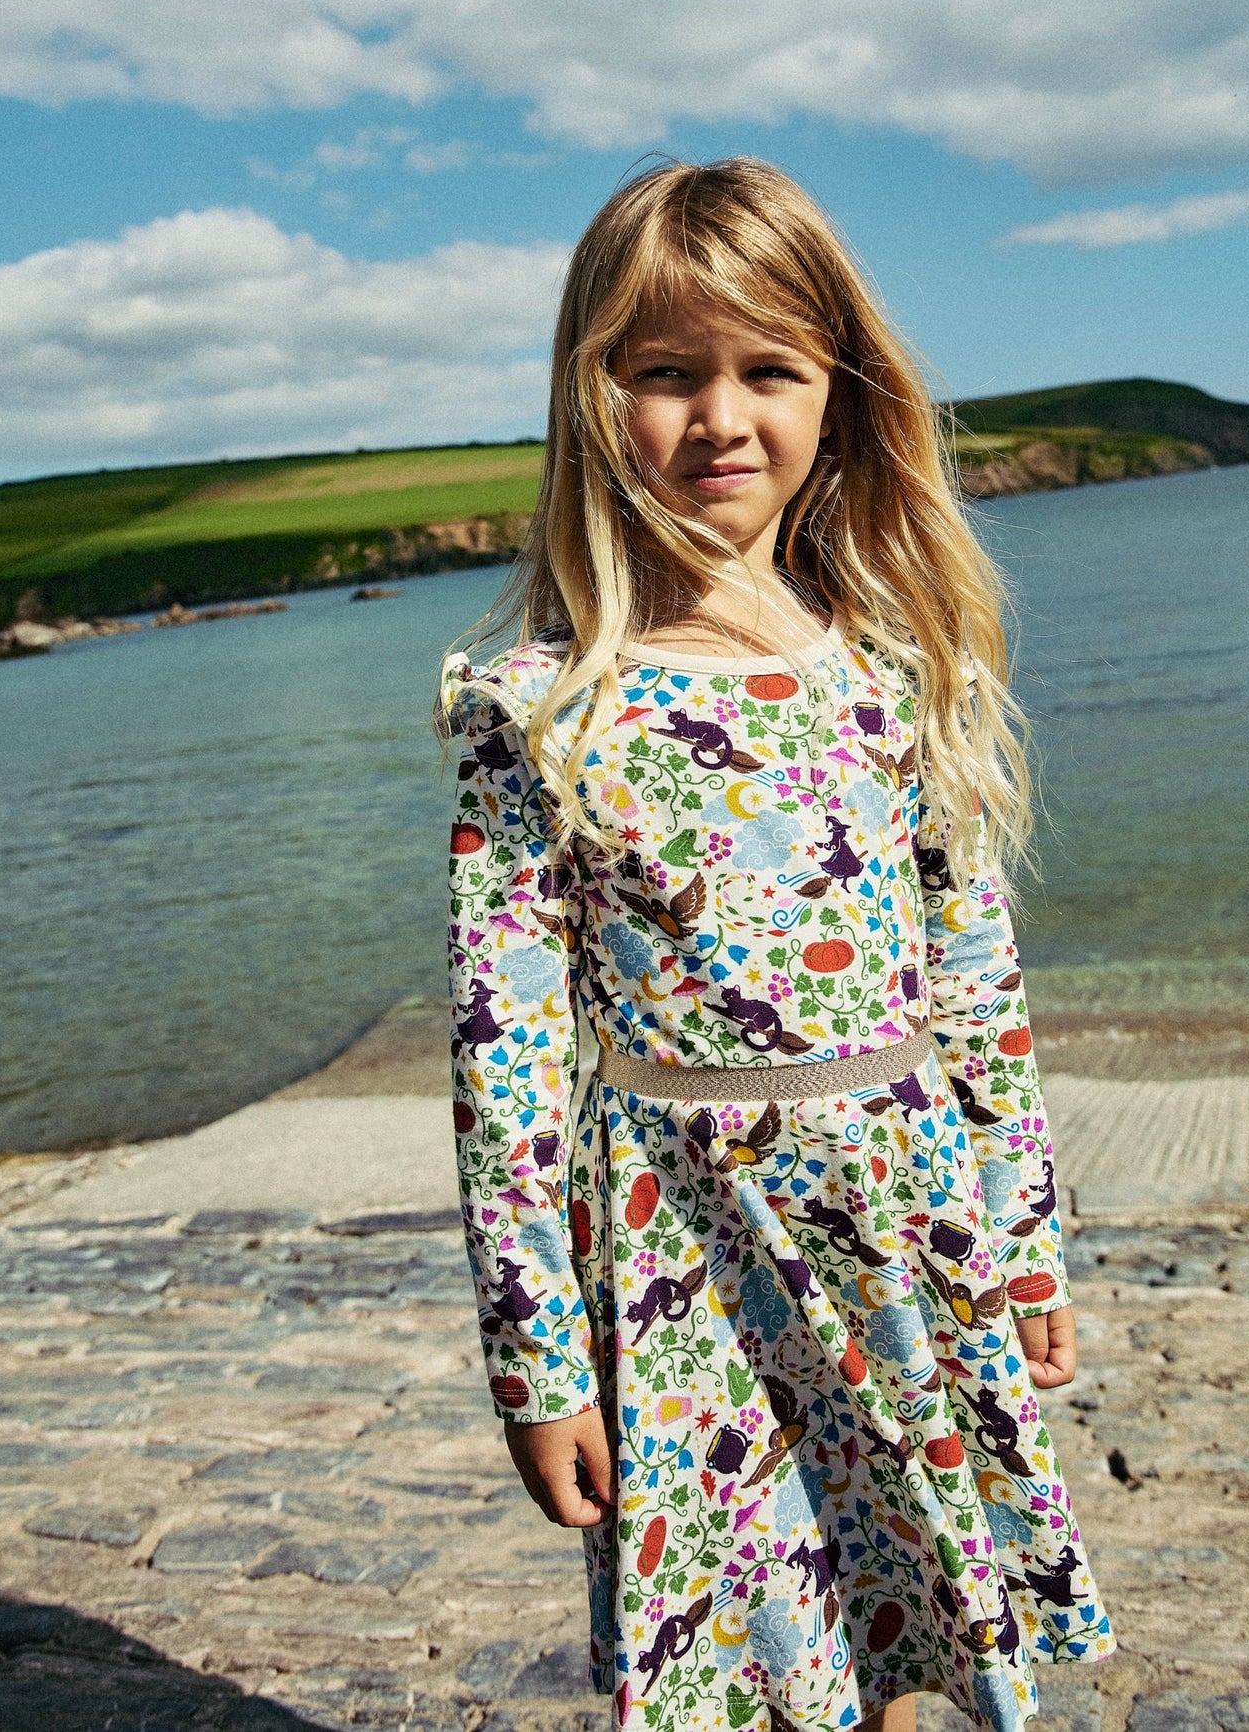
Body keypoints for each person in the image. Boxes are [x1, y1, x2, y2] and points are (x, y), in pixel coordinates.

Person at [437, 158, 1112, 1732]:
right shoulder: (531, 703)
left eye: (766, 370)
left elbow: (975, 983)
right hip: (682, 1241)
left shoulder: (893, 657)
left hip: (897, 1207)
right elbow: (504, 1053)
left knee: (902, 1610)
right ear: (590, 396)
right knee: (745, 1641)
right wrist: (537, 1361)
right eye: (663, 373)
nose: (717, 417)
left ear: (839, 394)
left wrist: (1021, 1240)